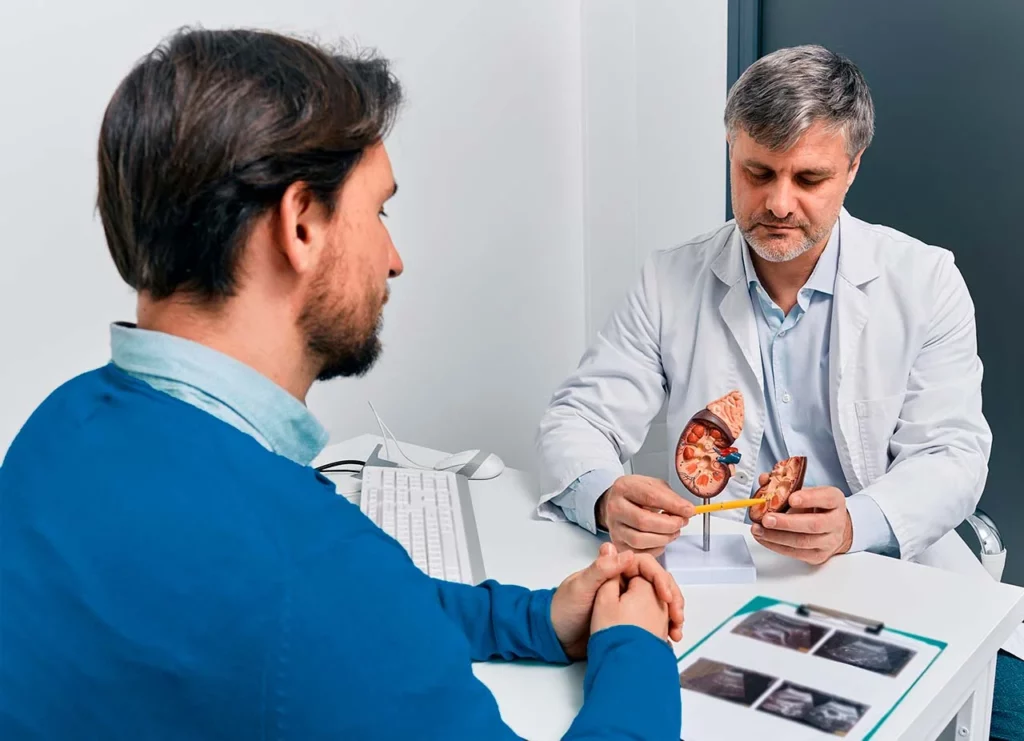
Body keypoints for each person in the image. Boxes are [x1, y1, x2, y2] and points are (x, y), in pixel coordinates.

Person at [0, 28, 686, 740]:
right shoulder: (308, 576)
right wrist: (632, 642)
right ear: (301, 224)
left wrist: (531, 618)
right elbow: (332, 610)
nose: (394, 260)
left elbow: (341, 616)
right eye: (379, 211)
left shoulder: (53, 430)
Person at [534, 43, 1024, 740]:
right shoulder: (669, 280)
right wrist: (607, 495)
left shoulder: (925, 282)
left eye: (809, 177)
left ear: (851, 170)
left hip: (891, 581)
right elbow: (577, 417)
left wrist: (857, 522)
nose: (777, 203)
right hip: (718, 586)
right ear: (731, 152)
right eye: (756, 171)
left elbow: (954, 455)